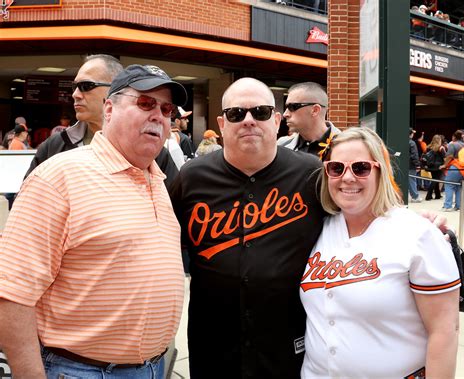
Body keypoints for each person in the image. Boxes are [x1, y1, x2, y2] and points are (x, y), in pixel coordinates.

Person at [0, 64, 187, 379]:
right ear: (110, 109)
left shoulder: (157, 179)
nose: (158, 115)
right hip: (80, 371)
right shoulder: (59, 177)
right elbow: (12, 295)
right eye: (145, 103)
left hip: (152, 368)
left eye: (166, 109)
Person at [170, 77, 326, 378]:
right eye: (236, 114)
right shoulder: (192, 177)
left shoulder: (311, 174)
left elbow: (358, 222)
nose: (249, 121)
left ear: (278, 120)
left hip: (288, 345)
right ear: (222, 122)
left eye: (262, 112)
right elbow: (158, 239)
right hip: (214, 346)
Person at [300, 126, 460, 378]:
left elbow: (444, 331)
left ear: (380, 172)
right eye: (336, 168)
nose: (348, 177)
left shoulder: (418, 234)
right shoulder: (317, 228)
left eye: (361, 168)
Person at [24, 54, 178, 188]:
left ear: (115, 89)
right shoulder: (54, 146)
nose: (75, 94)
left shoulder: (153, 154)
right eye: (74, 87)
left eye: (86, 86)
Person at [279, 81, 339, 159]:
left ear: (315, 110)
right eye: (286, 107)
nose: (285, 114)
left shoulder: (348, 146)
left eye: (292, 107)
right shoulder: (282, 147)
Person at [441, 130, 464, 211]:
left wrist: (444, 165)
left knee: (449, 185)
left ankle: (448, 206)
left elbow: (449, 156)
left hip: (455, 167)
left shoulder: (452, 144)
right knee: (458, 187)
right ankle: (458, 206)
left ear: (454, 137)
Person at [424, 134, 446, 200]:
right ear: (439, 140)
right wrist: (444, 165)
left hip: (430, 166)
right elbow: (445, 158)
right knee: (435, 180)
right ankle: (428, 195)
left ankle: (437, 195)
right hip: (438, 167)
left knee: (435, 179)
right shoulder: (440, 148)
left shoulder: (428, 147)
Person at [409, 128, 422, 202]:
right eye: (413, 133)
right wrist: (417, 165)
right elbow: (414, 155)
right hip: (411, 165)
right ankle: (415, 197)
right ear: (410, 134)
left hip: (403, 164)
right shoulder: (412, 143)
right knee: (412, 180)